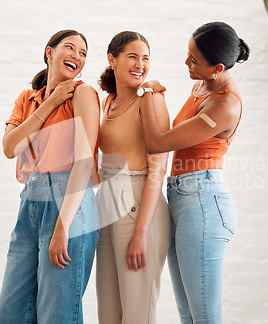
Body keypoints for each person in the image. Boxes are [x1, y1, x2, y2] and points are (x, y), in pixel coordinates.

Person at [138, 22, 250, 323]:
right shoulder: (201, 86)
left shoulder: (225, 105)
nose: (186, 63)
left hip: (204, 203)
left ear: (217, 68)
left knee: (204, 317)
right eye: (188, 54)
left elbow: (156, 142)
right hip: (184, 198)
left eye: (194, 60)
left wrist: (147, 92)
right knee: (187, 313)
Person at [0, 30, 101, 324]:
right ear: (49, 52)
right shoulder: (27, 99)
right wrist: (50, 103)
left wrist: (63, 226)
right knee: (10, 313)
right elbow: (10, 147)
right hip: (30, 200)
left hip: (70, 202)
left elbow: (83, 161)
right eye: (70, 47)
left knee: (58, 315)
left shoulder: (82, 93)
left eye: (83, 53)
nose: (77, 56)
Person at [95, 31, 171, 324]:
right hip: (108, 202)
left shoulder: (151, 100)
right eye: (133, 56)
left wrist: (141, 232)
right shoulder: (108, 102)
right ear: (112, 59)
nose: (141, 64)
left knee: (138, 312)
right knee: (109, 311)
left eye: (146, 58)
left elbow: (158, 169)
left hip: (140, 204)